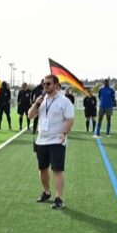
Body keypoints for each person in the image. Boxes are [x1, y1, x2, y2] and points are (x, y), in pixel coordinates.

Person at [28, 74, 75, 210]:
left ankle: (59, 198)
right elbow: (30, 115)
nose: (45, 86)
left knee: (57, 170)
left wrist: (64, 132)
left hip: (57, 140)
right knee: (42, 168)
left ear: (56, 85)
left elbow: (70, 119)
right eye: (44, 84)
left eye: (48, 84)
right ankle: (46, 192)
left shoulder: (64, 101)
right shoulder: (41, 100)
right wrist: (36, 103)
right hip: (41, 140)